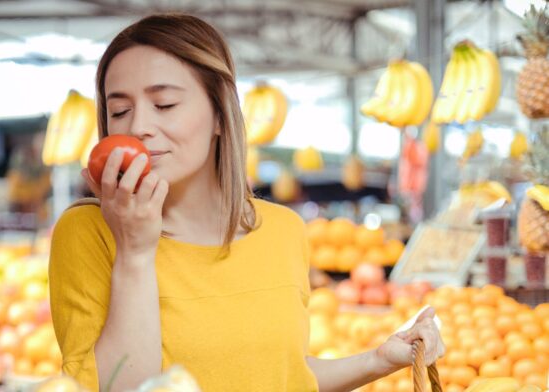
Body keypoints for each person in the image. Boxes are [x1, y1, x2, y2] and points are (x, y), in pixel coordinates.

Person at [48, 14, 444, 392]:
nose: (137, 128)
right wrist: (134, 252)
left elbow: (280, 373)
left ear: (220, 115)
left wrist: (380, 359)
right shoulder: (89, 233)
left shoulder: (283, 230)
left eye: (164, 104)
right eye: (120, 110)